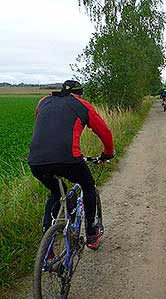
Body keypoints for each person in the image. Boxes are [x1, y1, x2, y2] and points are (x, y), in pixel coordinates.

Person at [28, 80, 115, 250]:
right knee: (88, 186)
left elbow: (44, 127)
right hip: (68, 159)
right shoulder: (82, 105)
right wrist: (108, 153)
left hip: (36, 161)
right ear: (80, 93)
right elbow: (104, 132)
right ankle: (91, 233)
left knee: (55, 191)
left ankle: (47, 243)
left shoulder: (43, 102)